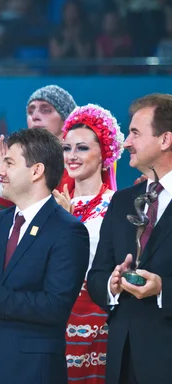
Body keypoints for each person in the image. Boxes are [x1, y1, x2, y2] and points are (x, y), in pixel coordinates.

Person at [0, 128, 90, 384]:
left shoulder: (68, 230)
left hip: (32, 370)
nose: (0, 172)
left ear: (36, 171)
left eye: (9, 164)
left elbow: (55, 306)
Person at [87, 94, 172, 384]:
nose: (126, 142)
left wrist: (162, 290)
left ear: (165, 140)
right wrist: (111, 285)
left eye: (135, 133)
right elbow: (97, 275)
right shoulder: (122, 201)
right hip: (123, 361)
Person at [52, 104, 125, 383]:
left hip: (98, 316)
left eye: (81, 148)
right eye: (66, 148)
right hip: (55, 317)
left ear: (104, 153)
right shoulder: (51, 203)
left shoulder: (117, 205)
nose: (71, 156)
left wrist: (68, 224)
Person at [0, 85, 77, 214]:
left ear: (66, 119)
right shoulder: (12, 166)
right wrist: (7, 174)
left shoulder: (78, 166)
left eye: (46, 110)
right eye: (30, 111)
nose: (35, 116)